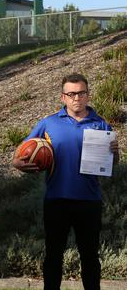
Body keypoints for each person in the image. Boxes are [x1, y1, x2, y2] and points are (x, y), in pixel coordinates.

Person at [12, 73, 120, 290]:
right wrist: (19, 164)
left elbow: (112, 163)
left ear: (88, 95)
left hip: (89, 201)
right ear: (63, 97)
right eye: (71, 94)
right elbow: (19, 155)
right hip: (56, 200)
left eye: (81, 93)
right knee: (53, 256)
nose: (76, 98)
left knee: (90, 257)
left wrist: (115, 153)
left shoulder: (101, 124)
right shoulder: (48, 123)